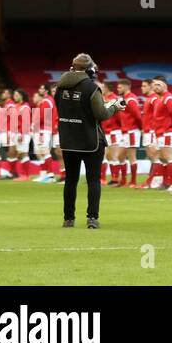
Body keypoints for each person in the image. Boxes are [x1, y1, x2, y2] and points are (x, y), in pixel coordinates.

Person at [56, 54, 124, 229]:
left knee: (70, 180)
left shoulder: (60, 87)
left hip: (68, 139)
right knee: (93, 180)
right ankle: (92, 218)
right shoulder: (91, 87)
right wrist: (114, 107)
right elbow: (101, 114)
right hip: (90, 140)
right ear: (90, 70)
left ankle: (68, 218)